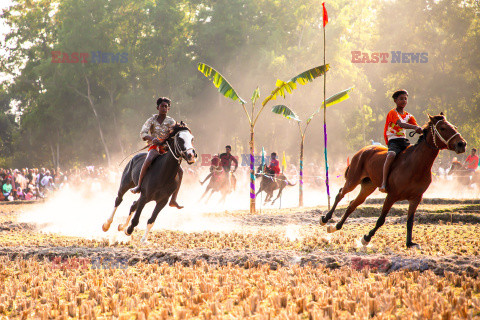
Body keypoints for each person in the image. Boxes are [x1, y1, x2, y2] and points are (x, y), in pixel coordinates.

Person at [130, 97, 184, 209]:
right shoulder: (151, 120)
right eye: (162, 106)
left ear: (168, 108)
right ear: (157, 107)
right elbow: (143, 133)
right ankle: (139, 186)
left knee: (180, 170)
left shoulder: (171, 121)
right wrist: (151, 137)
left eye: (166, 106)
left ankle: (173, 199)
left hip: (166, 148)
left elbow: (174, 134)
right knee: (149, 159)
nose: (164, 108)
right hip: (154, 147)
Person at [379, 89, 423, 193]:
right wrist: (414, 128)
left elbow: (417, 126)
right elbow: (401, 124)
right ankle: (384, 183)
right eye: (401, 99)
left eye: (405, 99)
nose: (404, 101)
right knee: (391, 155)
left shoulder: (409, 116)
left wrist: (421, 129)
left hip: (403, 140)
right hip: (393, 140)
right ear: (395, 100)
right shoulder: (392, 113)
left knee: (416, 155)